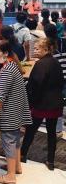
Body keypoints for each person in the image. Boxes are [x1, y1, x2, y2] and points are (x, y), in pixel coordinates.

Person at [0, 40, 32, 184]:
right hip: (18, 108)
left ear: (5, 53)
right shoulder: (13, 65)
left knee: (8, 141)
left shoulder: (7, 69)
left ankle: (10, 176)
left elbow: (2, 95)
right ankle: (16, 167)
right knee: (15, 140)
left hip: (11, 111)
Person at [20, 39, 64, 170]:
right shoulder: (55, 62)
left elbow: (35, 86)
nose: (34, 51)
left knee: (30, 131)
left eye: (37, 48)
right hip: (55, 103)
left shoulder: (40, 64)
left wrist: (30, 103)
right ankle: (50, 161)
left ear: (46, 49)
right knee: (51, 133)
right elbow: (61, 82)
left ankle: (22, 155)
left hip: (41, 103)